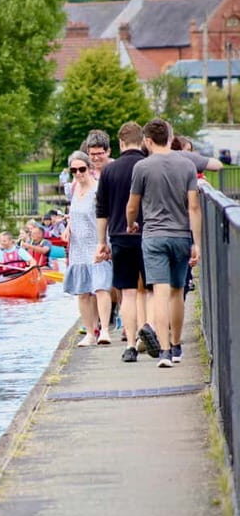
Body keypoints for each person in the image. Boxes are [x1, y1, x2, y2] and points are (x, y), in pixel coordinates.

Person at [126, 118, 202, 368]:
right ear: (170, 137)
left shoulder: (142, 167)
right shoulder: (187, 165)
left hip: (154, 236)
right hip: (181, 235)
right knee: (177, 292)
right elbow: (193, 206)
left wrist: (131, 224)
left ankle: (165, 352)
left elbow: (132, 205)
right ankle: (178, 345)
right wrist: (196, 243)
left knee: (159, 293)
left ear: (147, 140)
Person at [95, 121, 149, 362]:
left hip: (118, 235)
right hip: (147, 233)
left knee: (126, 292)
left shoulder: (109, 171)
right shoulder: (147, 166)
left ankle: (129, 345)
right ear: (142, 140)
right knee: (148, 290)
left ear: (120, 142)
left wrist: (101, 242)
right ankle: (147, 332)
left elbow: (101, 210)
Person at [62, 151, 113, 347]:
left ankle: (105, 330)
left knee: (100, 288)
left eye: (81, 169)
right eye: (73, 170)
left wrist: (104, 242)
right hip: (78, 245)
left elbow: (104, 215)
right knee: (83, 291)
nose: (78, 173)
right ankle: (90, 331)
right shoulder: (74, 189)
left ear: (89, 168)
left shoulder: (99, 189)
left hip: (96, 242)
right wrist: (68, 228)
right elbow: (73, 213)